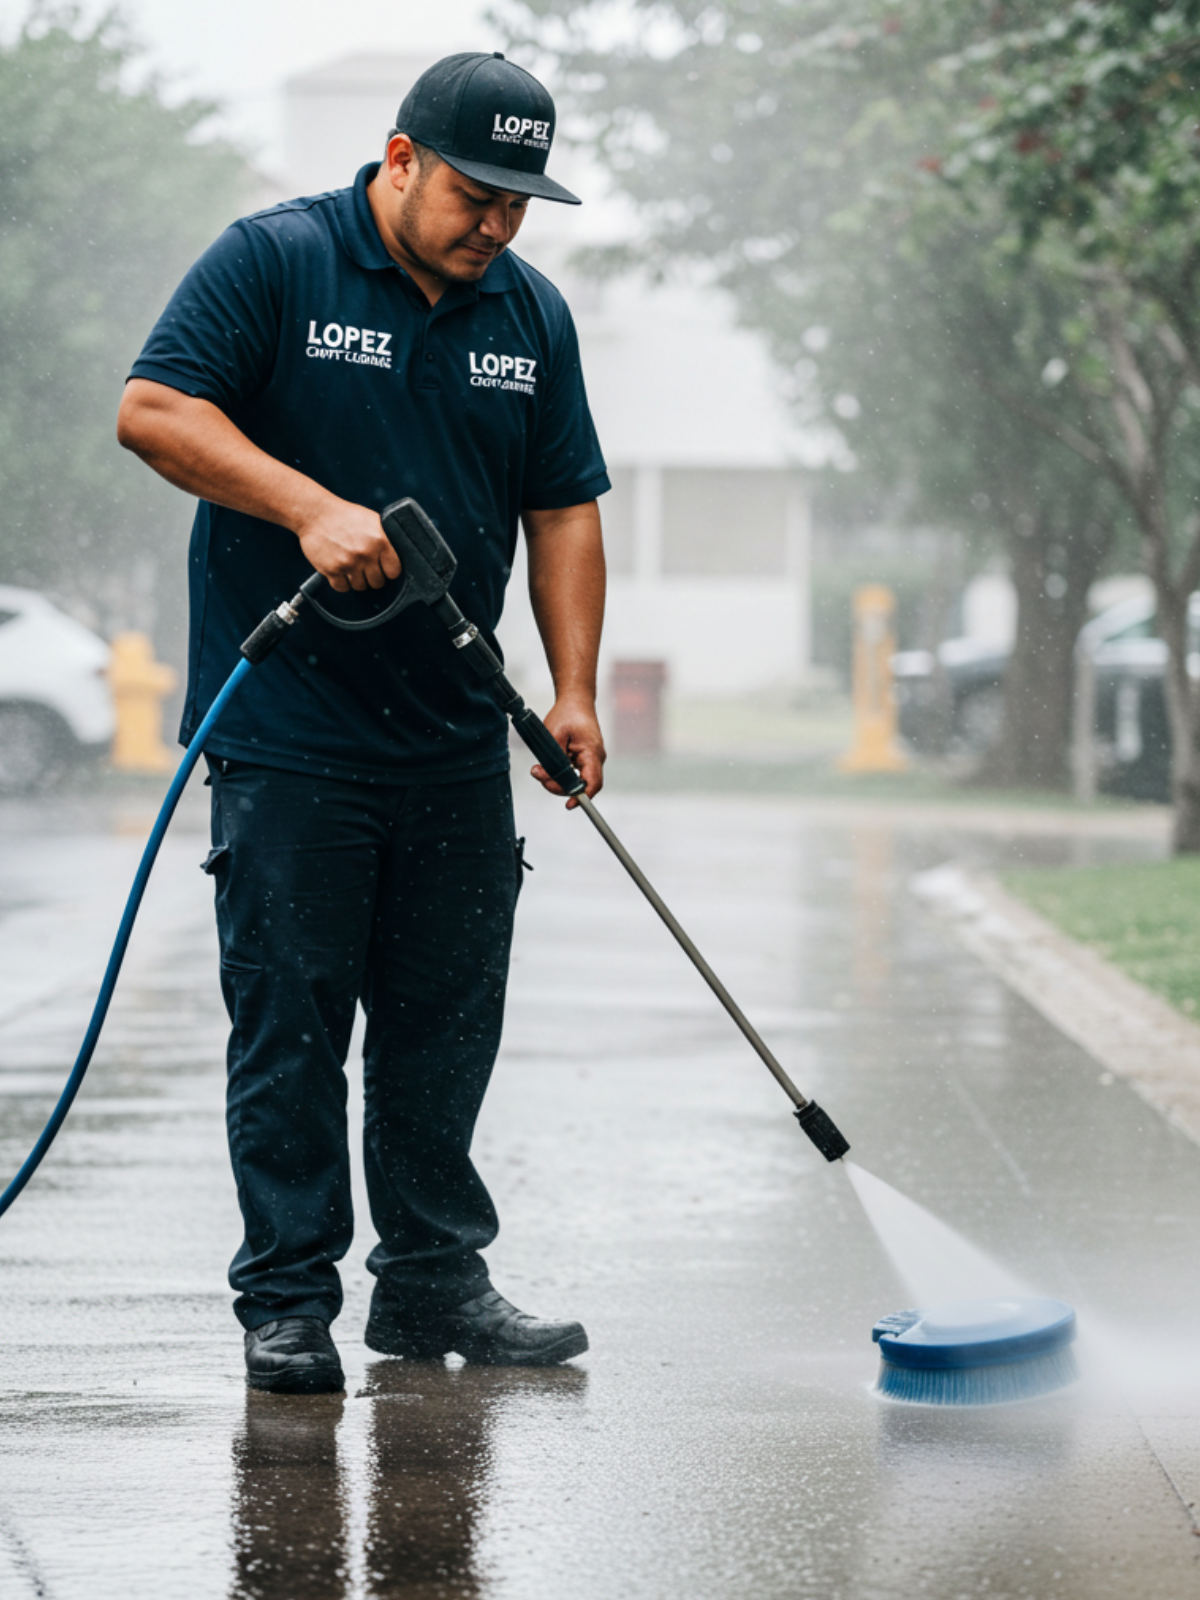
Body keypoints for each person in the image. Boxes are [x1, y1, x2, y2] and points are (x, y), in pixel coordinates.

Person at [117, 51, 609, 1394]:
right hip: (290, 731)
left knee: (444, 1027)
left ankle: (434, 1284)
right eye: (474, 193)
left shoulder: (531, 314)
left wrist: (571, 688)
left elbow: (564, 506)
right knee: (291, 1027)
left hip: (452, 732)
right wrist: (304, 506)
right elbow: (152, 411)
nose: (497, 224)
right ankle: (287, 1302)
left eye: (519, 200)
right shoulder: (277, 261)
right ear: (400, 160)